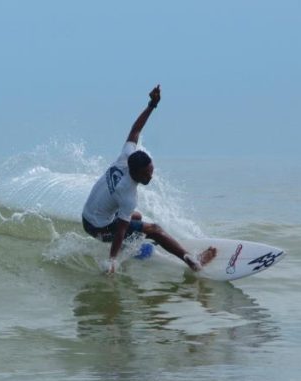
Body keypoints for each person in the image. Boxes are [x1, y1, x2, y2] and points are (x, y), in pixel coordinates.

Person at [82, 85, 217, 274]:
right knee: (154, 229)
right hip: (97, 228)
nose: (150, 177)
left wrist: (152, 105)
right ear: (135, 173)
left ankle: (132, 248)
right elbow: (120, 230)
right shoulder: (128, 193)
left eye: (151, 171)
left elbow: (135, 130)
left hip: (88, 216)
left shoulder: (125, 157)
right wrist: (112, 261)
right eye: (146, 175)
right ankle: (193, 262)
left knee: (136, 217)